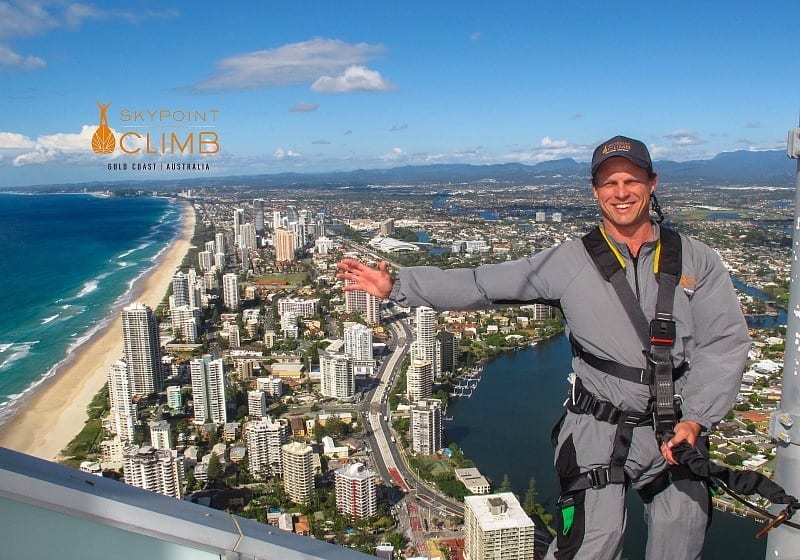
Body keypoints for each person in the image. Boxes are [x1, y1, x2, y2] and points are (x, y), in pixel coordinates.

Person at [337, 135, 751, 560]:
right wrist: (399, 285)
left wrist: (698, 419)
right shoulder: (570, 262)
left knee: (682, 536)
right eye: (610, 184)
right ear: (596, 191)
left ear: (652, 183)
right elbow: (483, 283)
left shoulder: (695, 260)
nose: (621, 192)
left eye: (631, 180)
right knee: (591, 542)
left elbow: (725, 342)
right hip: (598, 426)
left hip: (675, 426)